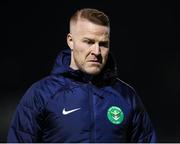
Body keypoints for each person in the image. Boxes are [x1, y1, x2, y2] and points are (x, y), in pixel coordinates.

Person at [7, 8, 156, 143]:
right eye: (89, 42)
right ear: (70, 41)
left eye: (103, 44)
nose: (96, 52)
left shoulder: (127, 97)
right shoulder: (40, 95)